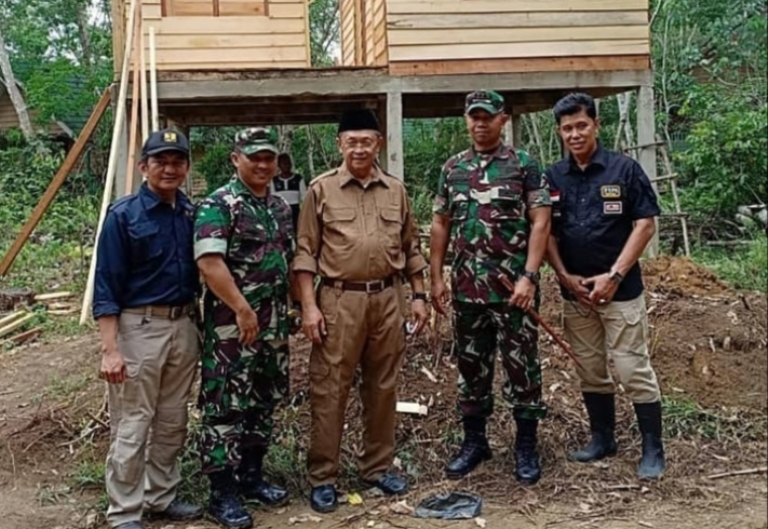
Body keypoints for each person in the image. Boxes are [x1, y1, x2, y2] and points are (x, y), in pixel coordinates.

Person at [292, 109, 429, 514]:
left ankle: (376, 467)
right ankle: (323, 477)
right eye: (351, 141)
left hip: (389, 299)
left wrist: (418, 296)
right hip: (339, 301)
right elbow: (305, 254)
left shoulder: (395, 190)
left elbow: (412, 247)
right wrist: (309, 307)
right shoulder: (320, 191)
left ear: (378, 144)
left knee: (383, 386)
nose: (358, 148)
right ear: (340, 145)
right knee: (330, 387)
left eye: (366, 141)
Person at [430, 90, 551, 485]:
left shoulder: (524, 165)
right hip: (467, 289)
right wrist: (436, 276)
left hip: (513, 289)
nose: (479, 124)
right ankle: (475, 442)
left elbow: (541, 221)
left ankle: (526, 445)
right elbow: (441, 224)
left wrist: (530, 276)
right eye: (473, 117)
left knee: (522, 367)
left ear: (503, 119)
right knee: (470, 368)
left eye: (487, 117)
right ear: (466, 120)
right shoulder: (452, 168)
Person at [544, 92, 665, 480]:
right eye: (567, 128)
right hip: (575, 294)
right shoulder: (552, 177)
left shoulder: (624, 170)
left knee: (632, 369)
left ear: (596, 124)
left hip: (621, 291)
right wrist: (563, 275)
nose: (575, 134)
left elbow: (645, 225)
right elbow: (543, 229)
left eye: (582, 125)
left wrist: (614, 275)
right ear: (560, 133)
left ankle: (652, 448)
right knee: (590, 369)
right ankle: (602, 439)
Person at [93, 129, 203, 529]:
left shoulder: (190, 213)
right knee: (134, 420)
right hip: (138, 327)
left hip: (183, 325)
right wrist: (110, 349)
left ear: (186, 168)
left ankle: (160, 496)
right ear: (144, 167)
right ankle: (124, 511)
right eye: (160, 161)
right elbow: (105, 286)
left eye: (177, 162)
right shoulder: (123, 216)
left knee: (173, 417)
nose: (169, 169)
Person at [194, 127, 295, 529]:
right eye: (254, 157)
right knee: (225, 406)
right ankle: (222, 491)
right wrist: (242, 308)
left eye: (268, 157)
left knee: (262, 400)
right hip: (232, 327)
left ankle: (252, 477)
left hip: (272, 324)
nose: (263, 164)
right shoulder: (220, 204)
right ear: (236, 158)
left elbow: (284, 260)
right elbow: (209, 264)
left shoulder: (278, 206)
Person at [270, 152, 307, 230]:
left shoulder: (298, 179)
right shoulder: (274, 181)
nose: (286, 165)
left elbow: (305, 199)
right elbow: (273, 200)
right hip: (280, 213)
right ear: (279, 165)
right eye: (283, 163)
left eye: (288, 162)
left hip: (295, 212)